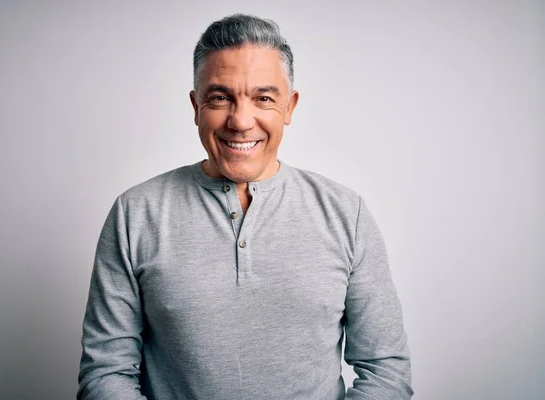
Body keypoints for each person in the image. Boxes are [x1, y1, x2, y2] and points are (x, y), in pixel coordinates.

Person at [77, 14, 413, 400]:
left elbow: (386, 370)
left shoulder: (346, 214)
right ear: (195, 106)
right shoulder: (135, 214)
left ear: (289, 106)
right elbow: (106, 372)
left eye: (263, 98)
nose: (240, 120)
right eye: (220, 97)